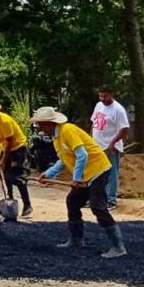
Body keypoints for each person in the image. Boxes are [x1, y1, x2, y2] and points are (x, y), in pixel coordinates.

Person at [33, 106, 127, 259]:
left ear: (49, 123)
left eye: (41, 124)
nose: (39, 127)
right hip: (86, 175)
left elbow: (82, 155)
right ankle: (76, 239)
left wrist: (76, 179)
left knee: (98, 206)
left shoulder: (67, 130)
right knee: (73, 201)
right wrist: (48, 173)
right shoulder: (56, 138)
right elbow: (64, 160)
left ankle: (118, 247)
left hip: (98, 169)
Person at [91, 85, 130, 210]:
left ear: (111, 94)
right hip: (97, 145)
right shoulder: (98, 106)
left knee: (111, 173)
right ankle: (96, 198)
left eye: (105, 96)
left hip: (110, 146)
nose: (103, 98)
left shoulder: (118, 110)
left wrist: (112, 143)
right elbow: (94, 123)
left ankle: (111, 200)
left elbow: (124, 129)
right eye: (100, 96)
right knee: (96, 173)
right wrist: (91, 140)